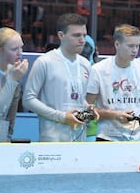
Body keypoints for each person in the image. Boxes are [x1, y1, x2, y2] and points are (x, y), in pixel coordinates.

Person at [22, 13, 95, 141]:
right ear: (61, 35)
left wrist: (87, 109)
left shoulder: (85, 64)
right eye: (76, 35)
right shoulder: (45, 62)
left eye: (84, 35)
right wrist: (61, 116)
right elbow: (28, 100)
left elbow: (78, 98)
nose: (82, 40)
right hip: (53, 137)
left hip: (79, 137)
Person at [86, 24, 140, 141]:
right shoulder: (98, 70)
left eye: (137, 46)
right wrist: (114, 115)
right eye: (130, 46)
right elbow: (87, 109)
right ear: (117, 44)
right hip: (108, 137)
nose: (135, 50)